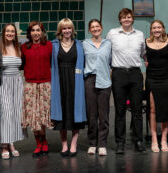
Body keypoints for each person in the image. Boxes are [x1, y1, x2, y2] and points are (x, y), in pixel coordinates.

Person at [106, 8, 146, 154]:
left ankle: (138, 141)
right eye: (124, 17)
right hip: (119, 73)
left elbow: (144, 53)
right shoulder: (112, 33)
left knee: (137, 110)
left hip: (135, 74)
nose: (127, 19)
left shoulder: (140, 34)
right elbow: (106, 51)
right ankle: (120, 142)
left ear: (132, 19)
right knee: (120, 110)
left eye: (129, 17)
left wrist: (148, 61)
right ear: (120, 20)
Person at [51, 18, 86, 157]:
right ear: (60, 30)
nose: (67, 31)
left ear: (72, 29)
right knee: (62, 114)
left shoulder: (79, 45)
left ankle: (74, 144)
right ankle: (64, 144)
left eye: (69, 28)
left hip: (76, 82)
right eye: (64, 28)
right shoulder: (53, 45)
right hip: (59, 82)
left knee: (74, 113)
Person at [21, 21, 53, 157]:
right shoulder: (24, 47)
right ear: (29, 33)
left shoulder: (49, 46)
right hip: (30, 85)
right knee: (33, 115)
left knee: (42, 115)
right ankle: (38, 143)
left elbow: (52, 63)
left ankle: (44, 140)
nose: (36, 33)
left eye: (38, 30)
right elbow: (21, 64)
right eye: (33, 30)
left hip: (45, 84)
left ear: (42, 32)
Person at [83, 19, 112, 156]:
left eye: (97, 26)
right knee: (91, 114)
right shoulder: (85, 44)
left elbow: (112, 62)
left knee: (103, 114)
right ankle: (92, 143)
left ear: (101, 28)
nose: (95, 29)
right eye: (92, 27)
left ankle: (102, 144)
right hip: (90, 80)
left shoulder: (108, 44)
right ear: (89, 30)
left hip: (105, 81)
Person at [0, 23, 27, 159]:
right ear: (4, 33)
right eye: (7, 31)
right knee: (6, 113)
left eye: (12, 31)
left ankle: (12, 143)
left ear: (15, 34)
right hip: (3, 82)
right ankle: (4, 145)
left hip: (17, 82)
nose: (10, 33)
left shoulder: (18, 48)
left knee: (15, 113)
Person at [145, 20, 168, 153]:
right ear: (151, 30)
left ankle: (164, 139)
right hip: (151, 79)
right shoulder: (146, 42)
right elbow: (142, 56)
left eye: (159, 27)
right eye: (154, 28)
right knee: (152, 109)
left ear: (163, 29)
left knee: (165, 109)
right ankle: (154, 139)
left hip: (166, 79)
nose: (156, 30)